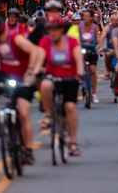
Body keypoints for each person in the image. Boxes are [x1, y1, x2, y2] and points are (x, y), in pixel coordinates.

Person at [0, 16, 42, 164]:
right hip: (5, 75)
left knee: (23, 112)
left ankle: (28, 149)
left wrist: (32, 71)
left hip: (23, 78)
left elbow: (35, 51)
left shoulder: (16, 38)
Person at [35, 15, 83, 157]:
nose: (52, 33)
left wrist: (80, 73)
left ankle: (73, 142)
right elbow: (40, 57)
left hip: (70, 77)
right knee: (44, 85)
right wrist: (36, 70)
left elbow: (79, 59)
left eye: (55, 30)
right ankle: (49, 115)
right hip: (52, 76)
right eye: (50, 30)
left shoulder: (72, 42)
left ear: (62, 29)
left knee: (70, 107)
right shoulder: (45, 41)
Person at [76, 9, 102, 103]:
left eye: (87, 16)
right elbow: (77, 38)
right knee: (80, 69)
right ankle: (81, 86)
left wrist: (100, 47)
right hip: (82, 49)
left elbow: (98, 38)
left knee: (93, 70)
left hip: (92, 49)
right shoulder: (80, 27)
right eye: (84, 16)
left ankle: (94, 93)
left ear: (91, 18)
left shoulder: (95, 27)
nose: (85, 18)